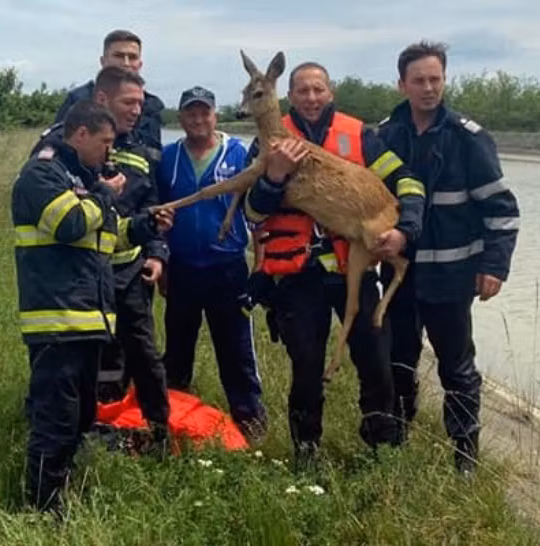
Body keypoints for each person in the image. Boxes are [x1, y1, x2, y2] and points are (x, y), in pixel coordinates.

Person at [243, 61, 427, 464]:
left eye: (318, 90)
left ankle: (383, 453)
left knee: (376, 362)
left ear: (330, 93)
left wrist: (405, 231)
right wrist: (273, 179)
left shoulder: (362, 136)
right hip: (297, 275)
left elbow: (407, 181)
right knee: (306, 368)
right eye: (303, 91)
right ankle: (305, 455)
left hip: (355, 270)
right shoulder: (268, 142)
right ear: (287, 96)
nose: (311, 98)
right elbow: (252, 213)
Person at [11, 98, 173, 514]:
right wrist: (104, 192)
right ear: (80, 134)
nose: (109, 151)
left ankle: (66, 488)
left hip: (87, 319)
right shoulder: (42, 173)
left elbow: (109, 236)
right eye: (104, 142)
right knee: (56, 420)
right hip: (58, 321)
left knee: (82, 415)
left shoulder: (80, 177)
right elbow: (70, 224)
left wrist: (143, 225)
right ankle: (44, 511)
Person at [376, 40, 521, 475]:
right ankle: (400, 433)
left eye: (435, 79)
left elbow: (502, 209)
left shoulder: (467, 138)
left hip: (453, 277)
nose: (428, 88)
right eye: (418, 80)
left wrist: (494, 267)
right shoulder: (384, 135)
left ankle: (465, 454)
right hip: (400, 275)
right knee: (398, 359)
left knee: (457, 368)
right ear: (402, 84)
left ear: (444, 80)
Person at [34, 66, 172, 443]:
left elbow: (150, 205)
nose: (137, 111)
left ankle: (160, 434)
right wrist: (105, 195)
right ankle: (82, 434)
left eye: (141, 104)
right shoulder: (63, 150)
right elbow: (62, 216)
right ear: (102, 100)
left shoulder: (141, 152)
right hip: (81, 278)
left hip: (128, 271)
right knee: (86, 360)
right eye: (129, 102)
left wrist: (156, 250)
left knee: (144, 354)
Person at [157, 85, 268, 441]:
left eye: (204, 111)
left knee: (236, 351)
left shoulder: (238, 154)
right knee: (176, 351)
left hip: (229, 269)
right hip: (183, 269)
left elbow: (258, 216)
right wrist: (161, 262)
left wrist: (260, 268)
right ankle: (174, 424)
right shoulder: (167, 158)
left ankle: (250, 425)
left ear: (215, 115)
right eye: (190, 112)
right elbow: (159, 214)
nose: (198, 118)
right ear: (181, 118)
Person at [53, 29, 165, 159]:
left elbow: (154, 157)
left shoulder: (151, 106)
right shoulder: (78, 99)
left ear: (140, 64)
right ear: (103, 61)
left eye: (132, 57)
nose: (126, 63)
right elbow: (58, 147)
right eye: (119, 56)